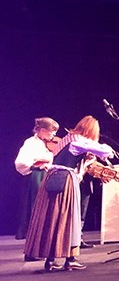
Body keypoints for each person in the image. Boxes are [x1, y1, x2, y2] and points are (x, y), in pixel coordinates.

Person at [24, 116, 113, 271]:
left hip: (50, 179)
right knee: (69, 217)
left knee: (51, 218)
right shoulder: (79, 141)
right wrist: (98, 148)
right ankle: (70, 259)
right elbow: (106, 151)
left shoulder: (66, 139)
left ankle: (50, 259)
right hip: (65, 180)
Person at [14, 117, 59, 244]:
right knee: (36, 208)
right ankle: (33, 245)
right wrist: (36, 166)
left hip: (47, 177)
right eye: (52, 131)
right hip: (36, 178)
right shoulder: (30, 143)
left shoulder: (45, 143)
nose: (54, 134)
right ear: (43, 130)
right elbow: (21, 162)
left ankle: (42, 243)